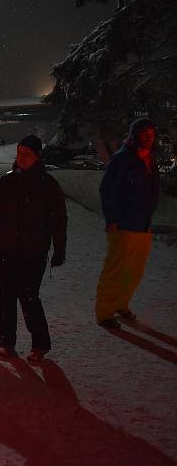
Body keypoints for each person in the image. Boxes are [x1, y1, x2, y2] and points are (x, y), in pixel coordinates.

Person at [0, 136, 67, 362]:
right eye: (19, 152)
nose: (21, 157)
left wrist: (59, 249)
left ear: (38, 156)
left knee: (28, 296)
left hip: (33, 251)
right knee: (6, 296)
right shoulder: (7, 182)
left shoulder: (48, 185)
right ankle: (6, 342)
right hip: (6, 249)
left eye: (26, 153)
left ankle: (40, 343)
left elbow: (58, 221)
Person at [95, 118, 160, 329]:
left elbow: (153, 191)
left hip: (141, 224)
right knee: (115, 269)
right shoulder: (122, 159)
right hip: (122, 224)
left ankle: (121, 304)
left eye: (151, 134)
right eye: (144, 134)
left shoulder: (149, 159)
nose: (149, 139)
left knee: (134, 270)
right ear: (134, 135)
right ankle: (104, 312)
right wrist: (112, 219)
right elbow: (108, 190)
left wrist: (147, 218)